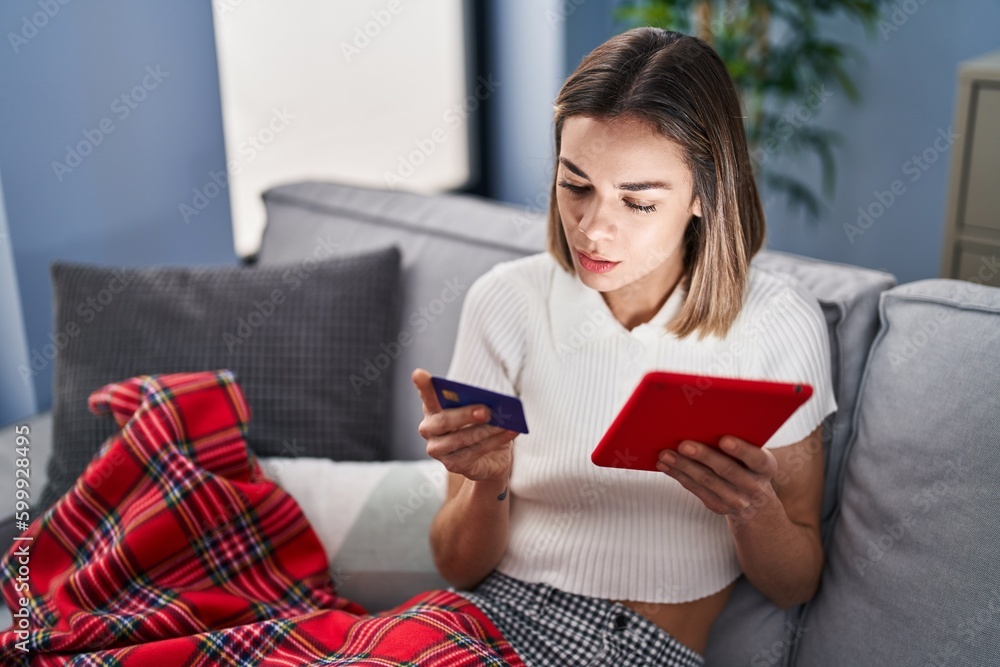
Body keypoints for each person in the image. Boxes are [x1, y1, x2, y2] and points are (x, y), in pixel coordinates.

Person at [411, 26, 836, 667]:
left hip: (631, 645)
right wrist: (489, 483)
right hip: (478, 619)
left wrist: (752, 508)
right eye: (575, 185)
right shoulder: (506, 299)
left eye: (637, 202)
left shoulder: (778, 321)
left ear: (704, 195)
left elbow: (795, 584)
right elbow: (457, 566)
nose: (592, 229)